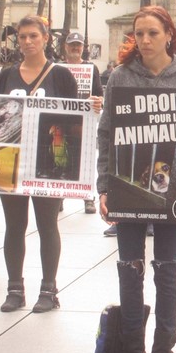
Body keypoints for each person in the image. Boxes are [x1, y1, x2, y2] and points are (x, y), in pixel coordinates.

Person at [98, 6, 176, 353]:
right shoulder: (120, 76)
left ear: (168, 35)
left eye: (152, 33)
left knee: (168, 271)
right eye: (138, 33)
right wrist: (103, 186)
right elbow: (106, 133)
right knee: (129, 270)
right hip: (128, 188)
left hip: (173, 194)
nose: (144, 40)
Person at [0, 15, 85, 313]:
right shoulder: (6, 75)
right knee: (14, 226)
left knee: (47, 225)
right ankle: (14, 288)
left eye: (33, 36)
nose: (27, 42)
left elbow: (76, 121)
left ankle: (49, 289)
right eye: (22, 37)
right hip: (13, 160)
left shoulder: (60, 76)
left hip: (49, 162)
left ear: (46, 38)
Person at [61, 30, 104, 215]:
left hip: (83, 120)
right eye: (72, 45)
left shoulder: (91, 68)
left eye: (78, 45)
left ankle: (87, 197)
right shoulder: (57, 68)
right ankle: (59, 195)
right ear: (65, 47)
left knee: (85, 159)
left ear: (82, 48)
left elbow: (99, 93)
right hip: (62, 120)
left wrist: (97, 101)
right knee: (61, 157)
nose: (75, 48)